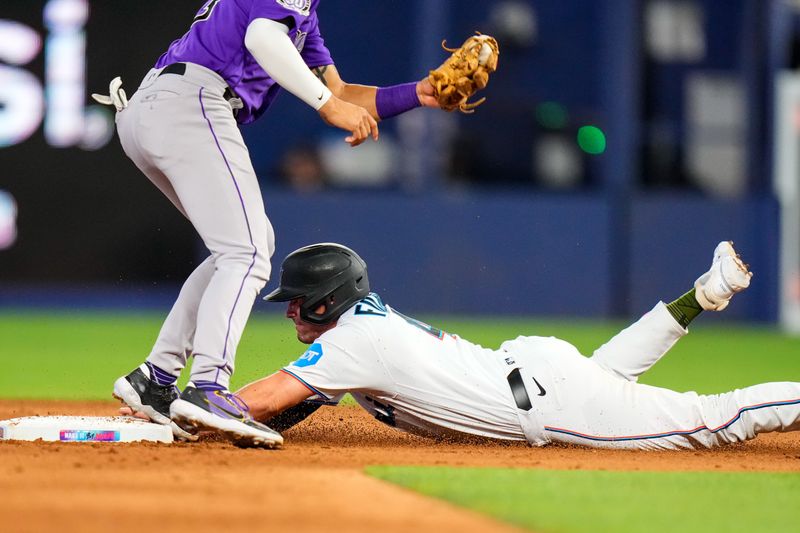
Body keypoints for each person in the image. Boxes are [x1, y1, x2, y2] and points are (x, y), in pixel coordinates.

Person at [94, 0, 442, 447]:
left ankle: (155, 378)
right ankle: (208, 387)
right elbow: (262, 38)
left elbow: (341, 92)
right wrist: (325, 107)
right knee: (247, 251)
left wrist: (420, 93)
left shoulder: (305, 19)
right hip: (191, 100)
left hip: (157, 108)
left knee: (243, 246)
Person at [233, 241, 800, 450]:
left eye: (298, 299)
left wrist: (182, 410)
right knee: (606, 376)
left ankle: (709, 300)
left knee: (711, 421)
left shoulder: (353, 342)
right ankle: (705, 293)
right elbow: (297, 404)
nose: (289, 309)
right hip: (535, 370)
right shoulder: (361, 325)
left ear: (330, 299)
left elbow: (261, 403)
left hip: (549, 402)